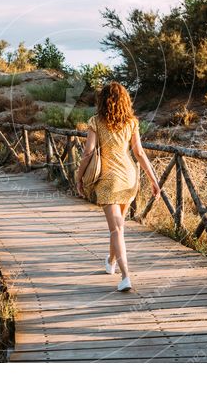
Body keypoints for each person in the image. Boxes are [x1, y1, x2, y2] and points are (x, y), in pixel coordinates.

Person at [75, 82, 161, 292]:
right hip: (129, 176)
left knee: (116, 229)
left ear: (102, 100)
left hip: (108, 179)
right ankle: (111, 261)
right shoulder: (131, 122)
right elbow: (139, 153)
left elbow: (88, 153)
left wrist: (78, 176)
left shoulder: (96, 121)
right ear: (125, 100)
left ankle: (125, 276)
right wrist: (153, 179)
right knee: (118, 226)